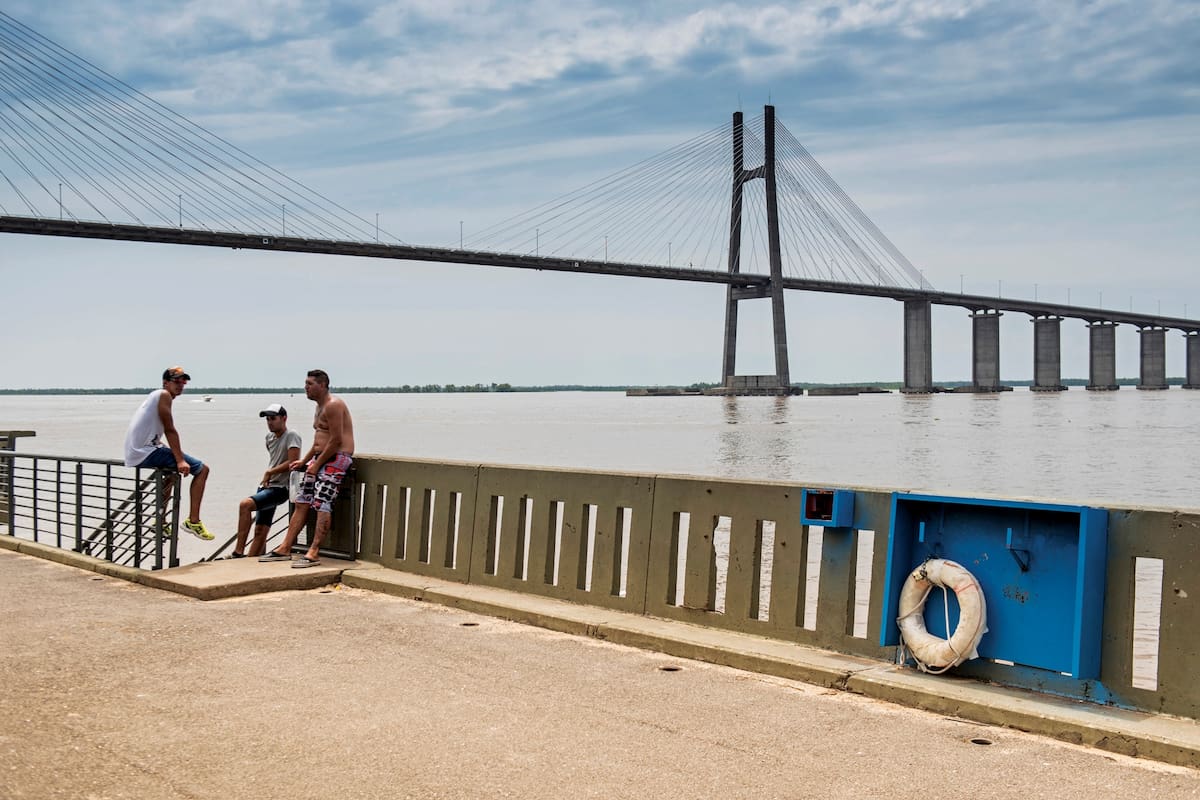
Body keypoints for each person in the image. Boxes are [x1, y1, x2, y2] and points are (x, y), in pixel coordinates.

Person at [260, 369, 355, 567]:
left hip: (336, 459)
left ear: (322, 385)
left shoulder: (333, 405)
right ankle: (285, 547)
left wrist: (318, 465)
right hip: (321, 458)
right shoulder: (319, 407)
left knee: (322, 503)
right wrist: (305, 461)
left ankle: (313, 552)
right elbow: (320, 440)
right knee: (302, 501)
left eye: (310, 384)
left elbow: (336, 440)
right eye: (305, 384)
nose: (306, 388)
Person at [122, 366, 213, 540]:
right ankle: (193, 521)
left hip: (138, 451)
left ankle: (160, 521)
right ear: (165, 383)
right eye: (176, 381)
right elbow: (170, 429)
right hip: (144, 452)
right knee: (202, 470)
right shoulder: (163, 395)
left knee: (172, 475)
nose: (180, 385)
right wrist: (180, 460)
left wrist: (173, 456)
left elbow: (151, 432)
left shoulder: (155, 397)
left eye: (183, 382)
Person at [227, 404, 302, 558]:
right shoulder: (269, 437)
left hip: (281, 488)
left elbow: (293, 462)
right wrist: (269, 474)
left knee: (245, 505)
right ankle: (250, 562)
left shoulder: (292, 435)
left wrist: (270, 472)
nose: (270, 422)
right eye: (267, 419)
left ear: (284, 418)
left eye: (273, 418)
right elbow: (274, 458)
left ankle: (238, 552)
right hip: (267, 486)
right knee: (260, 529)